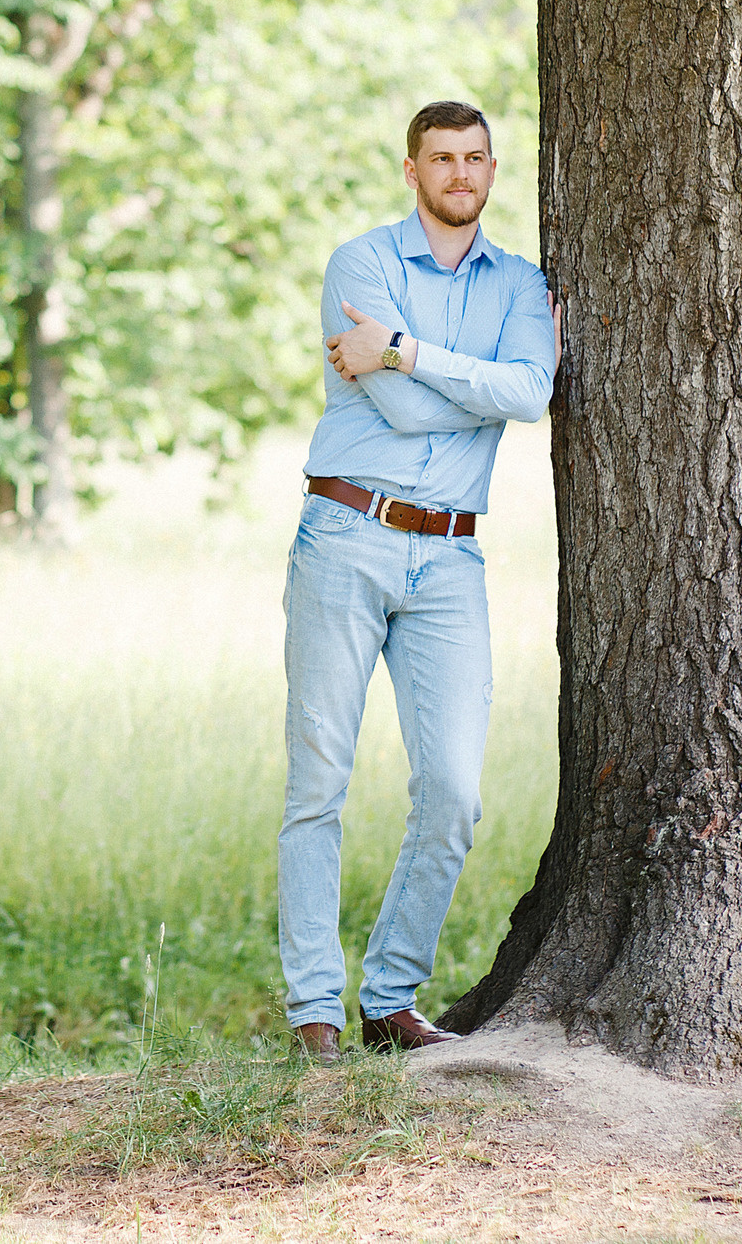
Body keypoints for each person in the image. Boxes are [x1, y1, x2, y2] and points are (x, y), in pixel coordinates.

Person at [281, 99, 558, 1061]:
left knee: (452, 791)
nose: (459, 173)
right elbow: (401, 412)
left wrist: (400, 349)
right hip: (347, 531)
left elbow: (532, 392)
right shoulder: (361, 265)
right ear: (412, 170)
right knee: (320, 780)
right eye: (441, 158)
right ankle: (315, 1009)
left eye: (475, 158)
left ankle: (389, 997)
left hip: (450, 556)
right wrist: (468, 385)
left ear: (491, 169)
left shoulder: (519, 281)